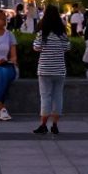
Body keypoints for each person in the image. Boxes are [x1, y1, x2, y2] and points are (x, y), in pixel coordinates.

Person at [32, 7, 70, 135]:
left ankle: (43, 125)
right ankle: (54, 125)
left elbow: (36, 47)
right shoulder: (62, 34)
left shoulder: (42, 34)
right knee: (58, 96)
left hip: (44, 70)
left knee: (46, 97)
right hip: (59, 70)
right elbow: (67, 48)